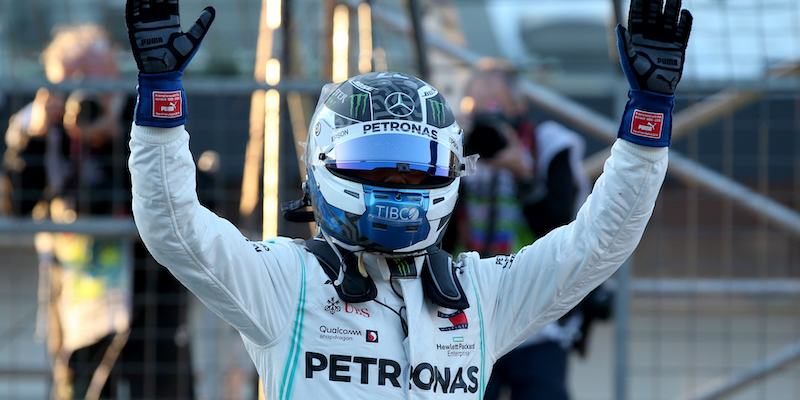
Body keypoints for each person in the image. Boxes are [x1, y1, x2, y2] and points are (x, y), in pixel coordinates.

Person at [124, 0, 691, 399]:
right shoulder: (283, 282)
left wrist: (647, 121)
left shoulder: (480, 293)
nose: (398, 179)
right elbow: (175, 229)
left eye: (417, 164)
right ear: (321, 162)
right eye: (375, 160)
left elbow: (598, 243)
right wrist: (160, 104)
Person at [2, 24, 194, 400]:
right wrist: (34, 141)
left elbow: (175, 197)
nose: (82, 93)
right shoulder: (35, 125)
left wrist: (114, 141)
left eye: (94, 81)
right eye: (70, 82)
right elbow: (14, 206)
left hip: (149, 293)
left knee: (160, 387)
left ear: (117, 78)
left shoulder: (146, 119)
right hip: (75, 298)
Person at [445, 66, 611, 400]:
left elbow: (561, 228)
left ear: (519, 109)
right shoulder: (454, 156)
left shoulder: (549, 146)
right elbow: (439, 237)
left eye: (493, 111)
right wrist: (450, 167)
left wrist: (522, 174)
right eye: (473, 111)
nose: (485, 122)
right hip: (468, 316)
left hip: (538, 315)